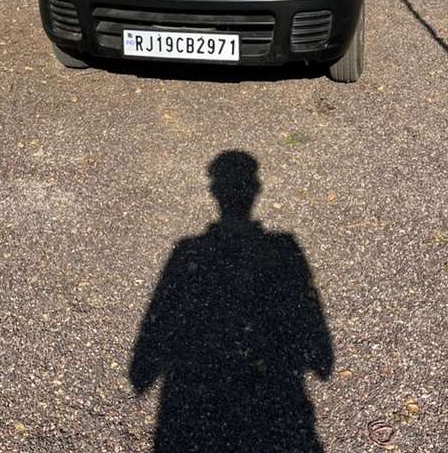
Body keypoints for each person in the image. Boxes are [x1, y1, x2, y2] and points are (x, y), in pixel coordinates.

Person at [130, 151, 334, 452]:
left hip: (196, 405)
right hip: (275, 403)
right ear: (256, 189)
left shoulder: (189, 252)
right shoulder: (283, 250)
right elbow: (322, 358)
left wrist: (146, 370)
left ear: (214, 191)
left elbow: (156, 329)